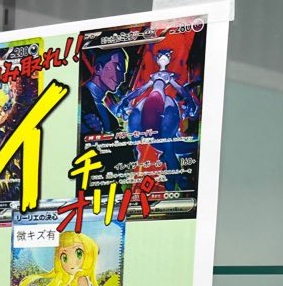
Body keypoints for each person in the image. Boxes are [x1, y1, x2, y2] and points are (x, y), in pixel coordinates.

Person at [115, 47, 200, 190]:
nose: (164, 58)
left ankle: (175, 176)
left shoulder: (169, 76)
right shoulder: (153, 76)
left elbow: (180, 88)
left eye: (166, 56)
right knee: (135, 118)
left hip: (164, 101)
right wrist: (126, 100)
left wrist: (190, 101)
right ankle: (171, 173)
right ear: (157, 58)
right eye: (161, 56)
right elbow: (141, 89)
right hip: (150, 101)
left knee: (167, 140)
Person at [80, 49, 128, 136]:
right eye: (118, 68)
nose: (122, 79)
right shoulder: (78, 98)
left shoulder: (112, 121)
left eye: (123, 72)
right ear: (98, 68)